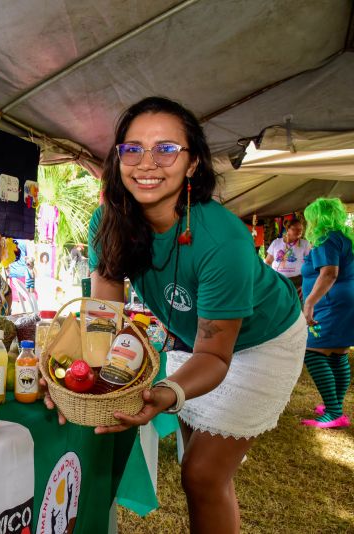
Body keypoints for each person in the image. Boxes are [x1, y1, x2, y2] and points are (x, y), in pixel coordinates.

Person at [45, 97, 304, 534]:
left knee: (202, 474)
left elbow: (216, 357)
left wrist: (163, 392)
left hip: (263, 341)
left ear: (193, 165)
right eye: (133, 149)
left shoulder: (223, 238)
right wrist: (80, 378)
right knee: (197, 464)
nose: (147, 163)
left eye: (166, 149)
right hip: (191, 340)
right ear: (118, 159)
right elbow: (104, 318)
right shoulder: (108, 221)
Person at [300, 197, 354, 428]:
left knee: (311, 351)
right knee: (337, 353)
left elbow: (329, 273)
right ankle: (335, 408)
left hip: (330, 304)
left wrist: (310, 302)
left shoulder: (325, 238)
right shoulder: (344, 236)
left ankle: (333, 412)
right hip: (344, 300)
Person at [265, 217, 311, 296]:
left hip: (297, 282)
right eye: (295, 229)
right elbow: (268, 262)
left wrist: (305, 283)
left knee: (296, 305)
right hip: (278, 280)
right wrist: (268, 279)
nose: (299, 231)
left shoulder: (305, 244)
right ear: (287, 229)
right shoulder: (276, 243)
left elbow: (310, 264)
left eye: (301, 229)